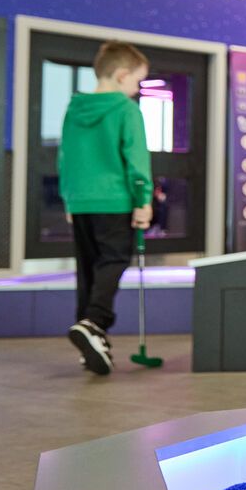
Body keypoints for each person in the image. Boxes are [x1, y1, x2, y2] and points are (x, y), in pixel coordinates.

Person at [58, 40, 153, 375]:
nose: (137, 89)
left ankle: (89, 339)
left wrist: (68, 196)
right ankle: (95, 322)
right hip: (115, 201)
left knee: (88, 269)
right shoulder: (127, 110)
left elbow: (65, 156)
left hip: (80, 200)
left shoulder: (74, 108)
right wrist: (143, 201)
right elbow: (136, 159)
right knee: (113, 260)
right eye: (138, 82)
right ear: (122, 74)